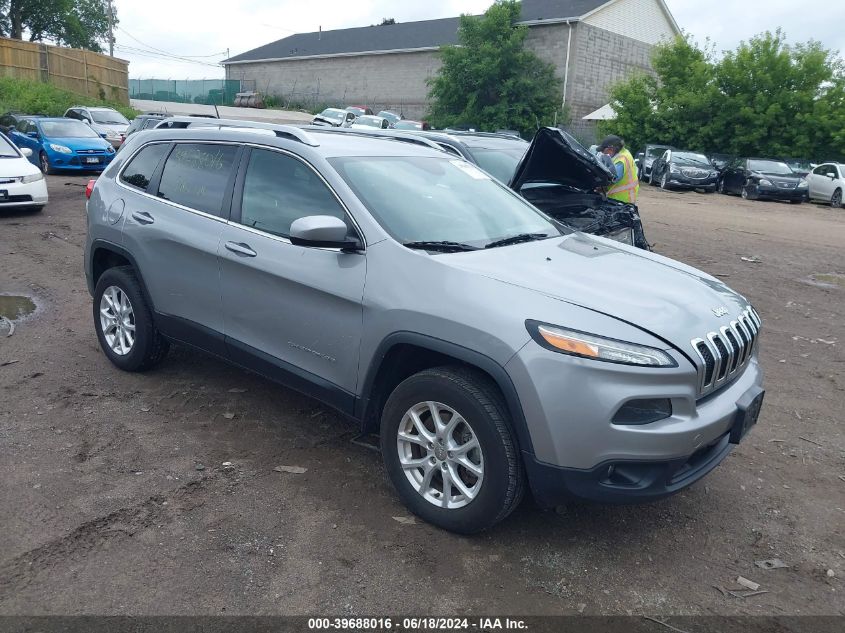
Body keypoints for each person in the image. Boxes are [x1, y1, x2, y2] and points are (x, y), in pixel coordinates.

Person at [598, 135, 639, 204]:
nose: (603, 153)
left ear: (611, 149)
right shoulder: (624, 153)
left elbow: (612, 179)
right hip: (624, 198)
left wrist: (599, 186)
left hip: (622, 200)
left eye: (603, 151)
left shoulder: (621, 160)